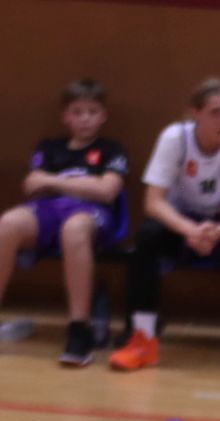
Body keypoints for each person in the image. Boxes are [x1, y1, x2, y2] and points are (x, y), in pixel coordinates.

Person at [108, 77, 220, 378]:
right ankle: (142, 338)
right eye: (215, 112)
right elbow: (153, 202)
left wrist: (219, 232)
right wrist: (189, 230)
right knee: (147, 235)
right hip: (183, 227)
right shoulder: (175, 138)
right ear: (195, 113)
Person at [0, 79, 128, 368]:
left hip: (93, 214)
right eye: (78, 112)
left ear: (103, 116)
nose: (85, 119)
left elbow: (107, 190)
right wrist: (83, 183)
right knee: (7, 223)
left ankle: (79, 329)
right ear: (65, 116)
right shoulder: (49, 147)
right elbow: (31, 186)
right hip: (48, 210)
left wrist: (55, 181)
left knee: (74, 228)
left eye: (92, 112)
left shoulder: (112, 149)